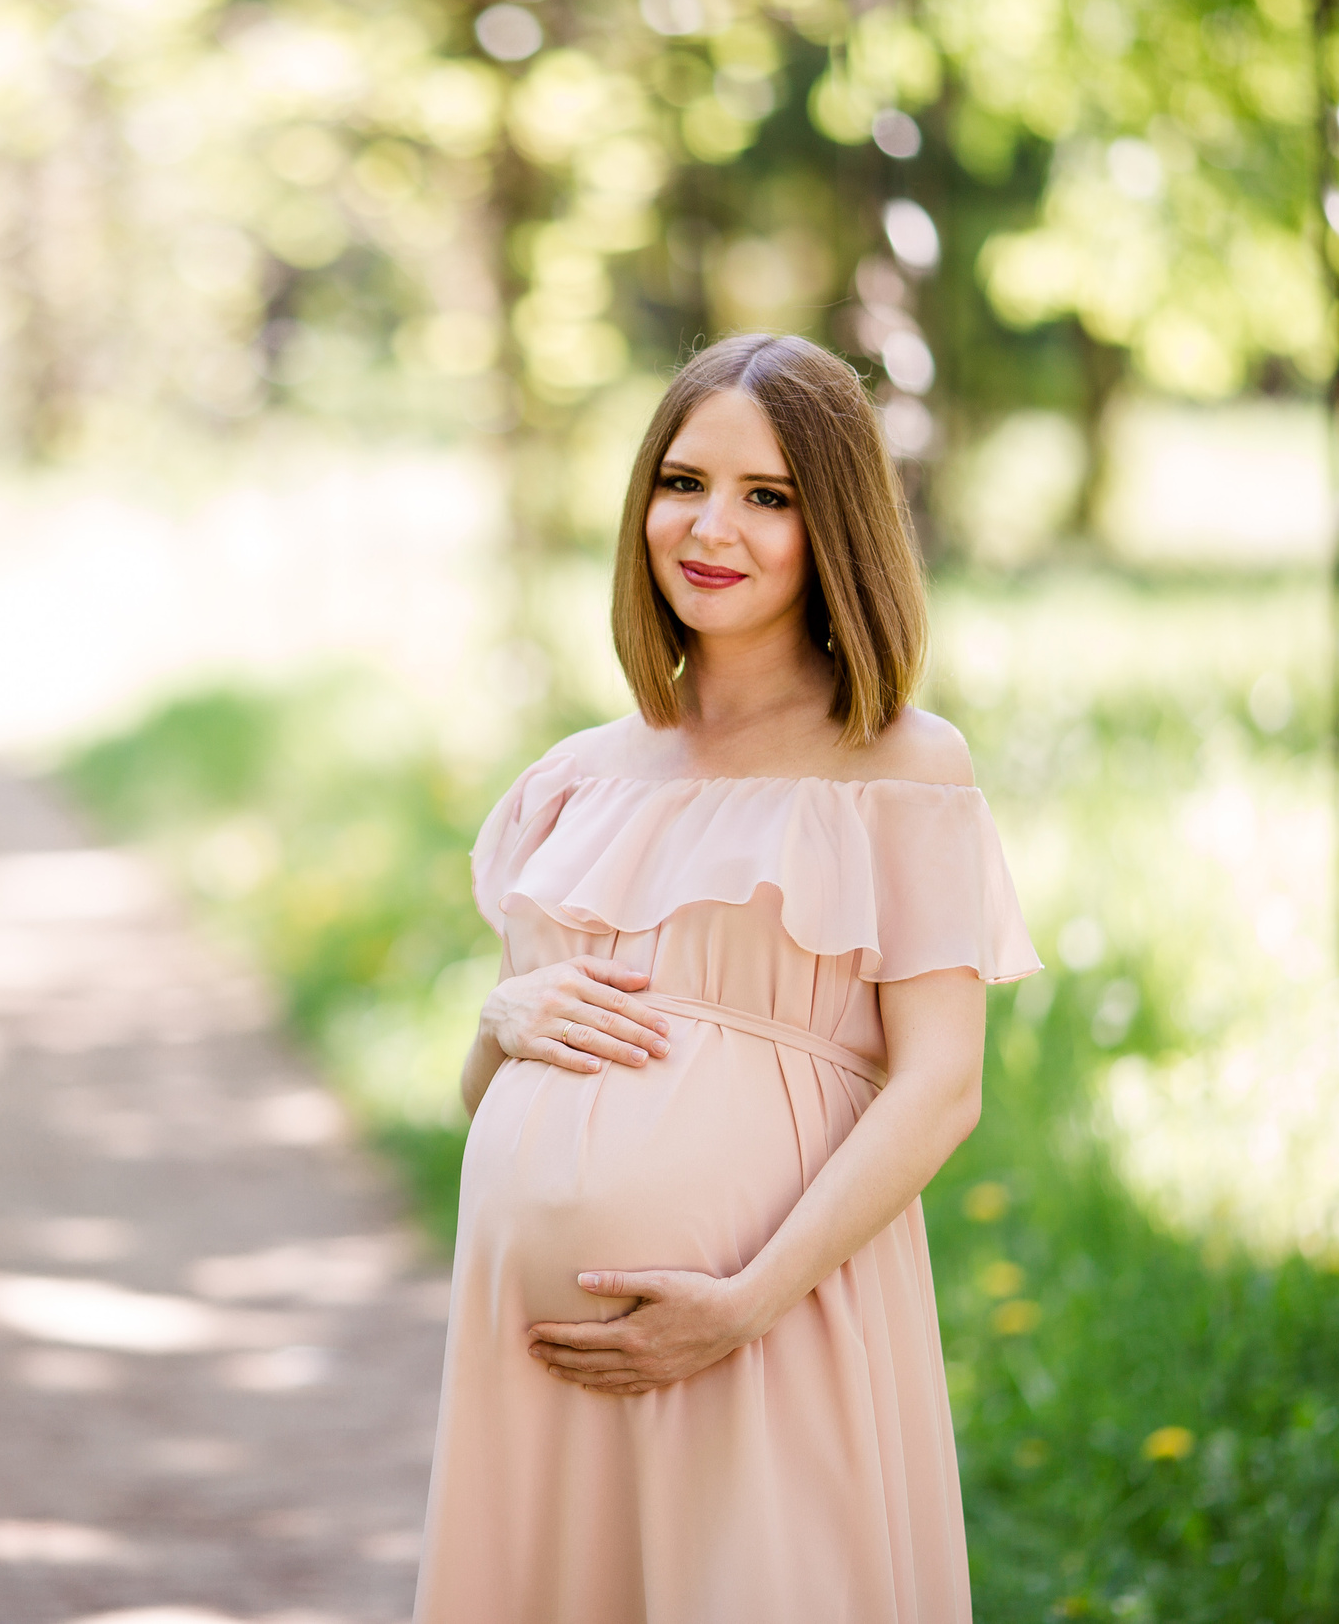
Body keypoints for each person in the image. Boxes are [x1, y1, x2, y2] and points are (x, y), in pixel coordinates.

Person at [412, 333, 1040, 1622]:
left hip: (768, 1324)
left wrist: (743, 1303)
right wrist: (500, 1018)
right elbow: (498, 1092)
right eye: (683, 481)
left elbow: (942, 1088)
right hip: (533, 1359)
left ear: (838, 529)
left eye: (769, 498)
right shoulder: (581, 775)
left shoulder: (902, 768)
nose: (711, 528)